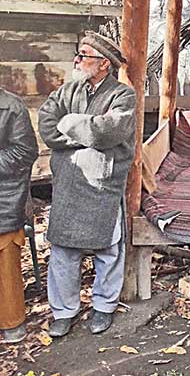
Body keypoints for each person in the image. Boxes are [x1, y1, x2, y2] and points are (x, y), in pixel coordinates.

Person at [38, 31, 135, 337]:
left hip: (102, 182)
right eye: (78, 54)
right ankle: (64, 311)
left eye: (84, 55)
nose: (77, 60)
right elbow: (47, 126)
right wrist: (83, 134)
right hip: (69, 181)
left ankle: (104, 307)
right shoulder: (67, 91)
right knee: (63, 251)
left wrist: (69, 123)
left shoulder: (123, 96)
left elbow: (106, 131)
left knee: (108, 249)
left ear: (104, 63)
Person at [0, 87, 39, 344]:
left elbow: (25, 152)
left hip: (3, 198)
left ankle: (11, 321)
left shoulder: (10, 106)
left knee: (5, 261)